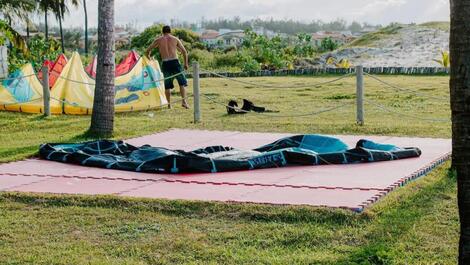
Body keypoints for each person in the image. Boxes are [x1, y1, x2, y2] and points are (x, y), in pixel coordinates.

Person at [145, 25, 189, 109]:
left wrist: (149, 58)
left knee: (167, 85)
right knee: (182, 83)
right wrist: (185, 63)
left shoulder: (158, 40)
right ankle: (184, 102)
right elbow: (184, 51)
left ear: (162, 32)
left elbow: (148, 50)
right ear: (170, 31)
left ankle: (169, 105)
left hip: (165, 63)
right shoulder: (175, 39)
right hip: (175, 62)